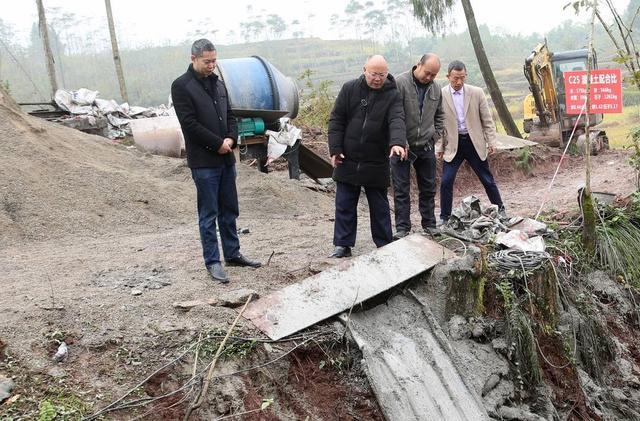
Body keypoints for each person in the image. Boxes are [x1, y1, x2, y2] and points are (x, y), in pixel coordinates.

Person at [171, 39, 261, 284]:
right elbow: (189, 124)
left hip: (226, 159)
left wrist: (231, 138)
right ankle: (213, 261)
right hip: (204, 162)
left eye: (214, 60)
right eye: (206, 61)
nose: (212, 65)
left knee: (229, 209)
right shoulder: (182, 86)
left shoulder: (219, 84)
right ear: (193, 59)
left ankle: (233, 253)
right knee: (209, 213)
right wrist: (217, 143)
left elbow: (230, 115)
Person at [327, 55, 407, 258]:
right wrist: (335, 149)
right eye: (374, 74)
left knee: (379, 206)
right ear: (365, 70)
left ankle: (384, 244)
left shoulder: (393, 95)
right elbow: (336, 120)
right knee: (344, 204)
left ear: (387, 74)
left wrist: (397, 142)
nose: (378, 78)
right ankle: (342, 245)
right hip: (348, 156)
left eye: (382, 74)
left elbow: (397, 119)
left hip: (376, 159)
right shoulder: (349, 89)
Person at [437, 60, 505, 223]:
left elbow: (487, 120)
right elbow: (439, 124)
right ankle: (444, 217)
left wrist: (492, 142)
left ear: (465, 75)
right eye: (455, 78)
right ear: (448, 77)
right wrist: (439, 146)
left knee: (487, 179)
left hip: (474, 143)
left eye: (462, 77)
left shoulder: (477, 93)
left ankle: (501, 209)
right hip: (454, 144)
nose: (459, 82)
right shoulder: (441, 95)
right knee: (446, 181)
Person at [392, 53, 444, 239]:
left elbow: (440, 116)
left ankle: (429, 224)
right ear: (418, 65)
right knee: (401, 189)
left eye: (433, 75)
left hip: (426, 146)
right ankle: (402, 228)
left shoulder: (436, 89)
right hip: (401, 147)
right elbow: (392, 115)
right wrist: (399, 141)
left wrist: (434, 137)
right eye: (427, 73)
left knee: (429, 187)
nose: (429, 78)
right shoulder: (400, 83)